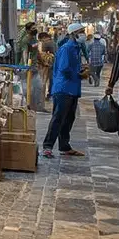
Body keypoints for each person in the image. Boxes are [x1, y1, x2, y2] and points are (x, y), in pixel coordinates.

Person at [42, 22, 87, 158]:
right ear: (73, 34)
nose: (83, 34)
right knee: (58, 118)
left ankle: (64, 146)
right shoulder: (66, 48)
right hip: (63, 89)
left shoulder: (76, 48)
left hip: (73, 89)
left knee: (68, 119)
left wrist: (81, 70)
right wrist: (79, 74)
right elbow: (64, 69)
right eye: (81, 31)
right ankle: (47, 147)